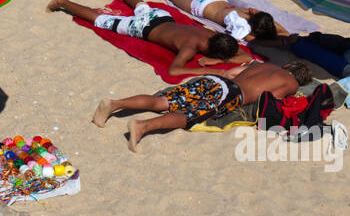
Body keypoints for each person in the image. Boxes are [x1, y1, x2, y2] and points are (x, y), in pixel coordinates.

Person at [94, 59, 312, 151]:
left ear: (288, 65)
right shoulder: (290, 83)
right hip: (230, 94)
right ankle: (143, 127)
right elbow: (269, 99)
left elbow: (235, 72)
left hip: (216, 81)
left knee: (163, 101)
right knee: (189, 116)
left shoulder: (266, 64)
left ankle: (115, 104)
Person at [48, 0, 249, 77]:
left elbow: (240, 55)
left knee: (141, 6)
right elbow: (174, 69)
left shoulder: (212, 34)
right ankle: (61, 1)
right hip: (143, 28)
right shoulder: (189, 48)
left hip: (162, 18)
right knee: (102, 20)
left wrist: (217, 58)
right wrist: (213, 71)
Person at [143, 0, 286, 43]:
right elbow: (250, 39)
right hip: (202, 8)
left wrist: (283, 32)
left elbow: (270, 21)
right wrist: (279, 37)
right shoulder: (242, 25)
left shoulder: (252, 12)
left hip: (217, 0)